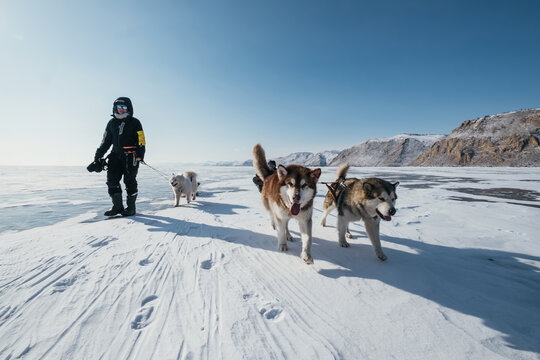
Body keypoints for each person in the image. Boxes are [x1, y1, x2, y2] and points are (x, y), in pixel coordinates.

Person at [94, 97, 146, 216]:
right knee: (112, 181)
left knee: (129, 181)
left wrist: (140, 154)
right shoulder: (111, 123)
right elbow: (106, 141)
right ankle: (117, 207)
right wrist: (98, 155)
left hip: (131, 156)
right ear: (115, 108)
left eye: (124, 107)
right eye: (119, 107)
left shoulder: (135, 122)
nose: (121, 109)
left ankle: (131, 208)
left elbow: (141, 140)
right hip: (115, 156)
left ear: (129, 108)